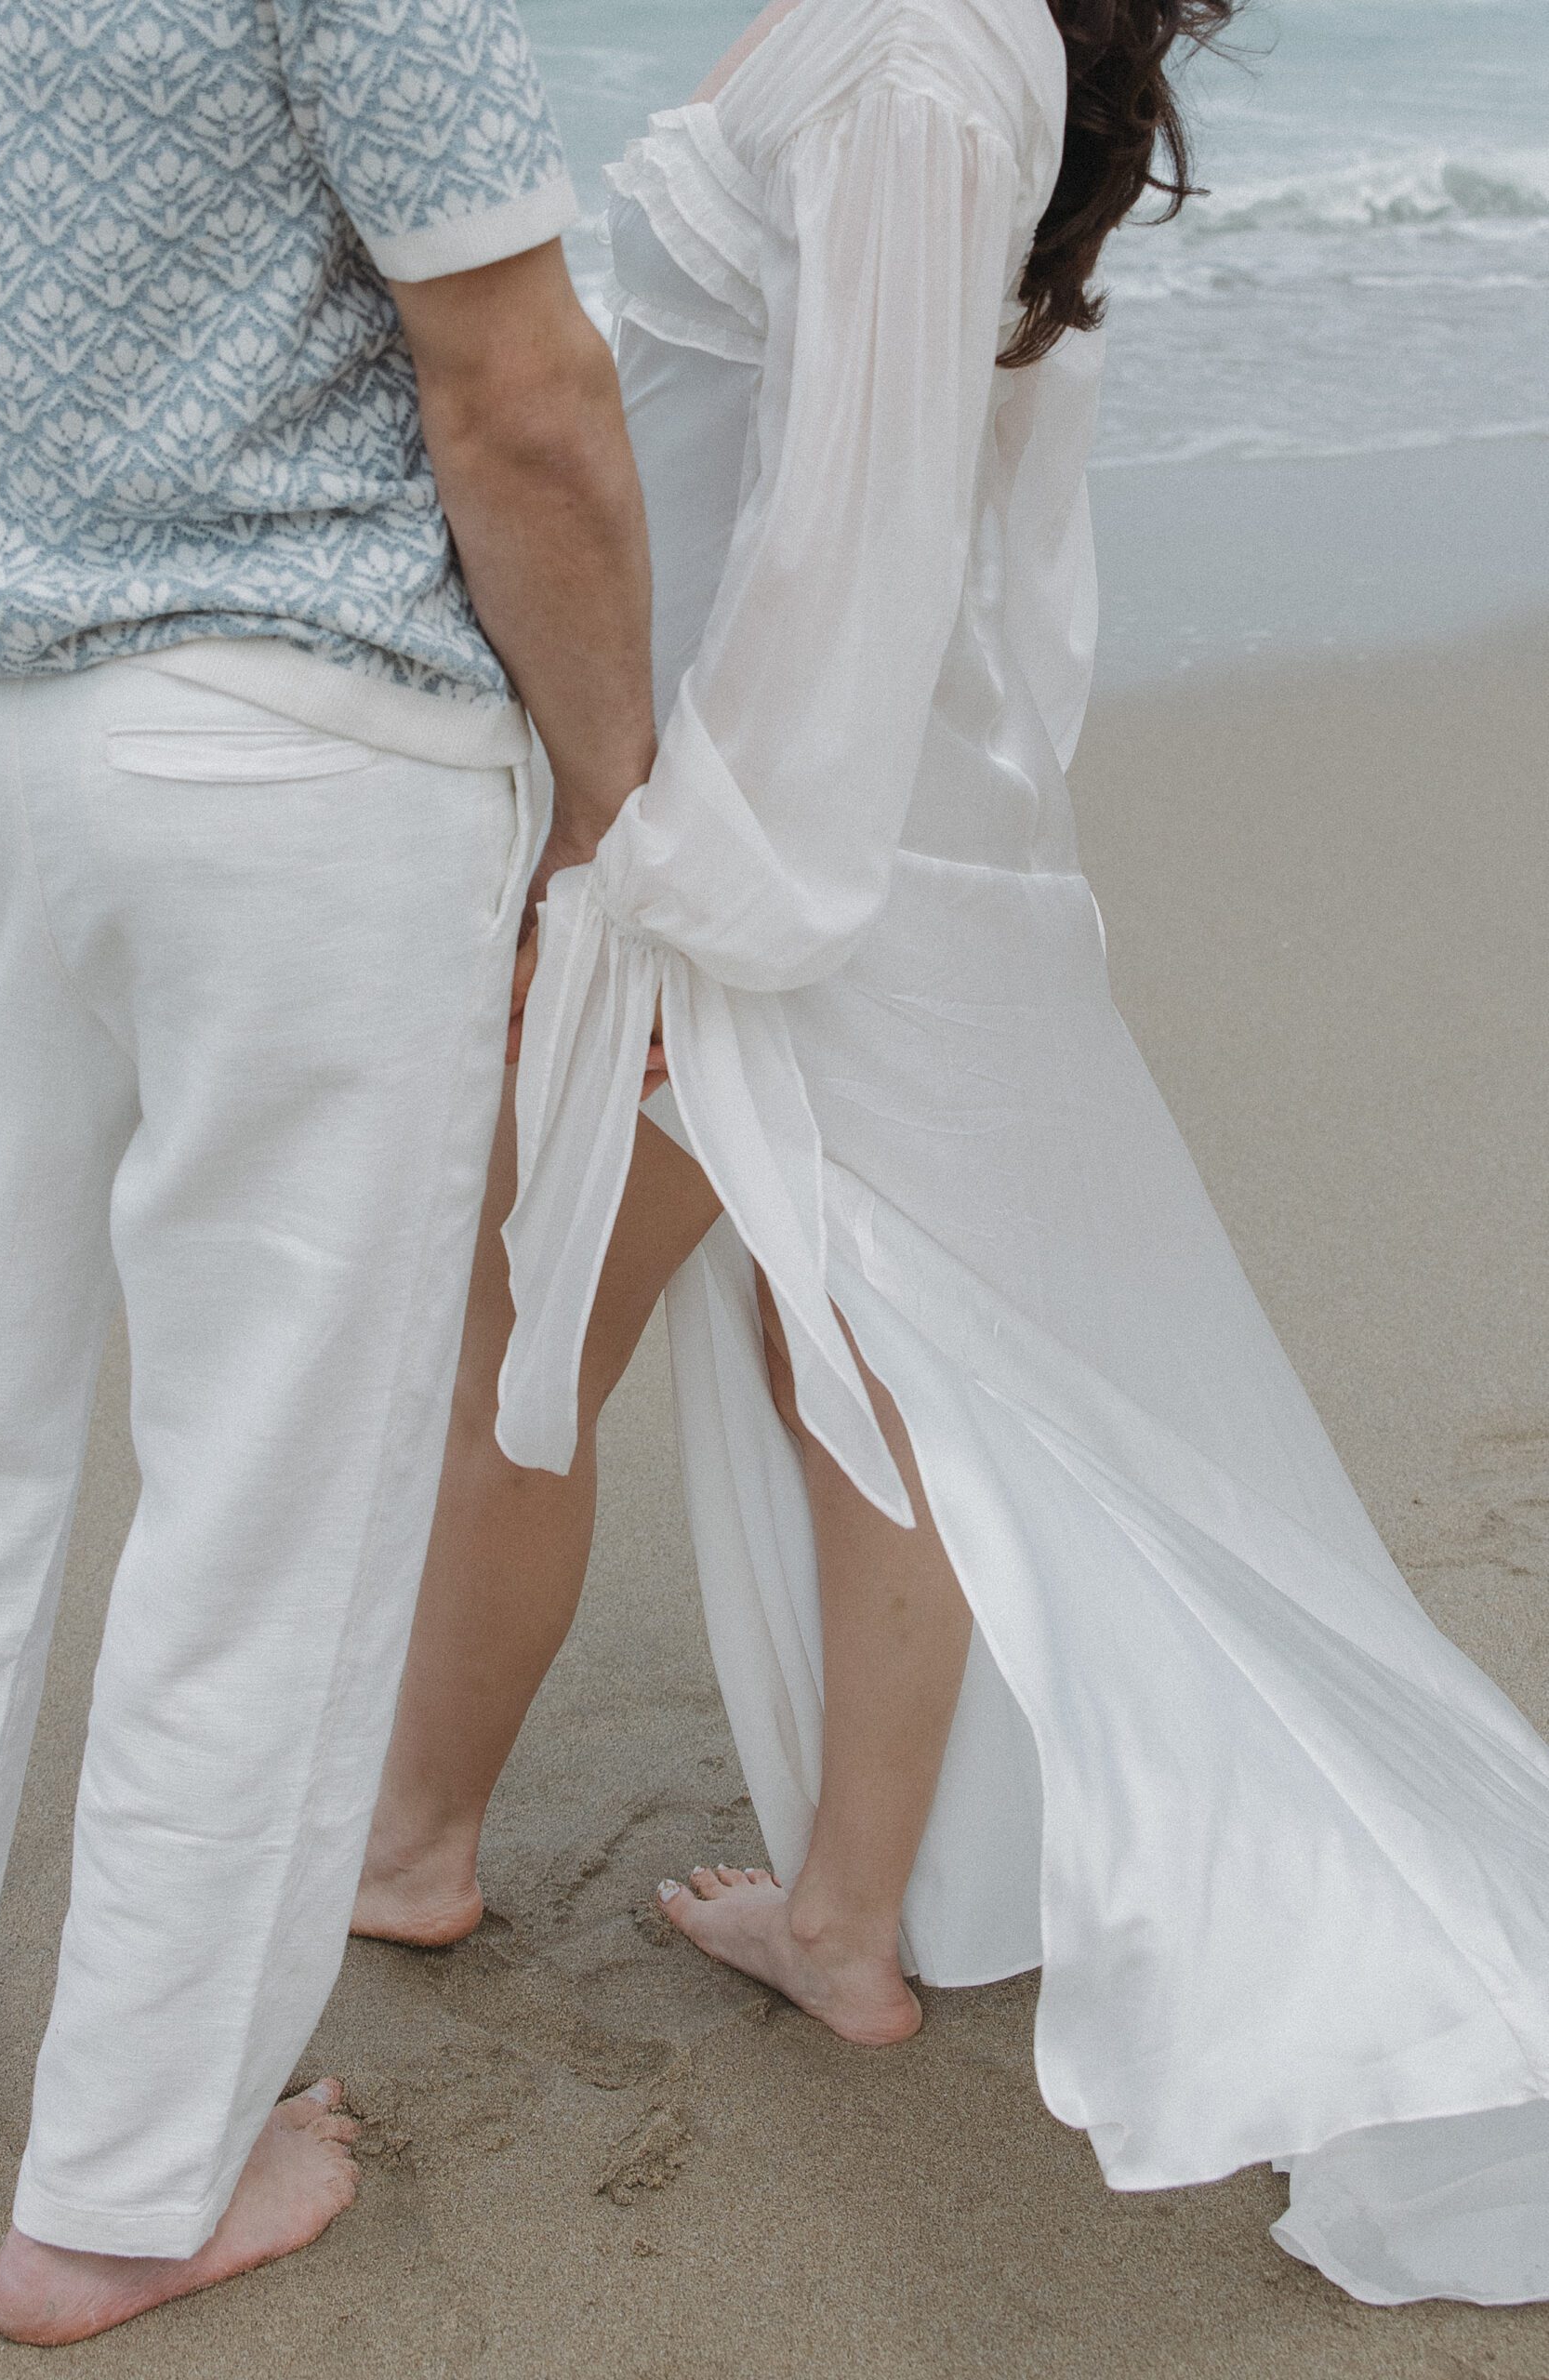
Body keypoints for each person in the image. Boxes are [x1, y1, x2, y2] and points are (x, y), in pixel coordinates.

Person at [355, 0, 1549, 2309]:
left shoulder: (920, 51)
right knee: (845, 1357)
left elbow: (863, 519)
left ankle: (415, 1849)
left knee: (530, 1331)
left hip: (773, 842)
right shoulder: (932, 33)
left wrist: (682, 878)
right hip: (814, 826)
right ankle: (840, 1916)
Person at [0, 0, 655, 2347]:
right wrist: (614, 796)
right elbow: (519, 391)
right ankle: (128, 2187)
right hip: (293, 750)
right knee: (269, 1489)